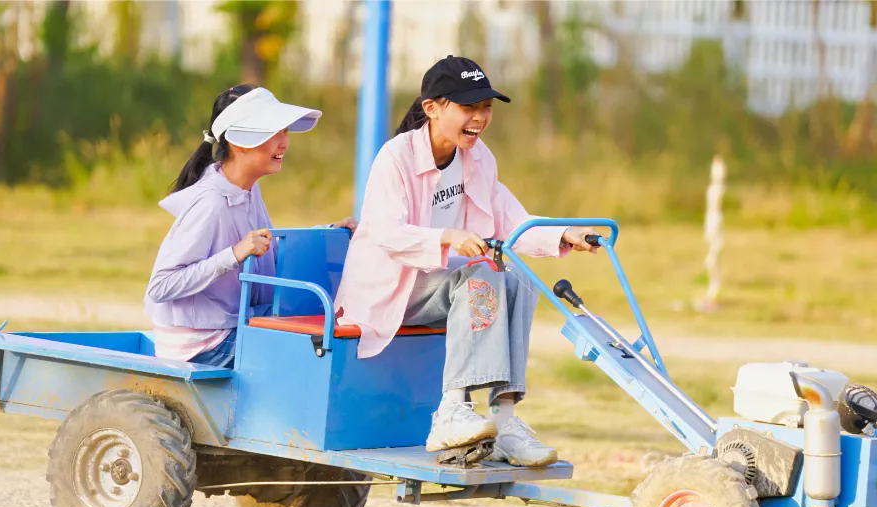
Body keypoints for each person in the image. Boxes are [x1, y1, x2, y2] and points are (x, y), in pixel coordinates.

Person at [334, 57, 598, 467]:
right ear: (432, 108)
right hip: (387, 286)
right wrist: (447, 236)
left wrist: (563, 233)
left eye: (486, 107)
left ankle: (505, 421)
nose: (479, 117)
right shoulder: (396, 157)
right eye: (468, 107)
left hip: (443, 283)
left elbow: (509, 217)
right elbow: (385, 231)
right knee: (478, 277)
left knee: (517, 277)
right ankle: (452, 410)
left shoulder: (478, 158)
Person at [145, 84, 355, 368]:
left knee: (328, 329)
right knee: (310, 353)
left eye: (285, 131)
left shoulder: (248, 189)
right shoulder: (211, 203)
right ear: (240, 142)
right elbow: (160, 286)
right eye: (274, 132)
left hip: (232, 320)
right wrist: (234, 254)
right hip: (202, 342)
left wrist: (328, 231)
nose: (284, 142)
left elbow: (266, 246)